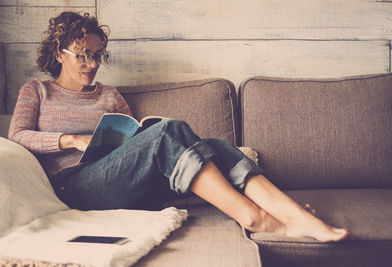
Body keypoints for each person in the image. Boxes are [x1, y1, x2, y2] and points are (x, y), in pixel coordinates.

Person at [9, 11, 350, 243]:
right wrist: (71, 140)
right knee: (171, 130)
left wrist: (135, 138)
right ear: (59, 52)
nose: (92, 64)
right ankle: (256, 218)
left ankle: (291, 214)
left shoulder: (110, 95)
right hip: (75, 189)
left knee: (216, 145)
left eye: (98, 55)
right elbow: (17, 136)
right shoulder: (37, 91)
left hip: (125, 181)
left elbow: (136, 138)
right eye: (83, 54)